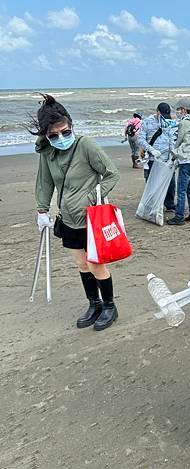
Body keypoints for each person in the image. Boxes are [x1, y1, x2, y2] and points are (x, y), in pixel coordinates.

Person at [31, 94, 120, 330]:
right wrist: (42, 209)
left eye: (65, 131)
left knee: (95, 264)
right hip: (67, 218)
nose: (61, 138)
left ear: (71, 125)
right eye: (53, 135)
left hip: (91, 218)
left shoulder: (85, 145)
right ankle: (95, 304)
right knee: (81, 264)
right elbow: (45, 182)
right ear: (46, 135)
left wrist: (92, 197)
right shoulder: (48, 153)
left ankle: (110, 306)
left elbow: (112, 173)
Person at [138, 102, 178, 211]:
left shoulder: (170, 122)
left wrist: (173, 154)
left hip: (167, 158)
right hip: (153, 158)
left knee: (170, 183)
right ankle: (152, 204)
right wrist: (151, 150)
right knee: (153, 182)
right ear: (157, 112)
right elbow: (141, 139)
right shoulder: (147, 122)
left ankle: (169, 203)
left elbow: (172, 138)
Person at [167, 98, 190, 225]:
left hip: (186, 161)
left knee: (181, 190)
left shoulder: (184, 123)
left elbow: (179, 141)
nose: (177, 113)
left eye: (178, 110)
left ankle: (179, 216)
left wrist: (174, 155)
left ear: (184, 110)